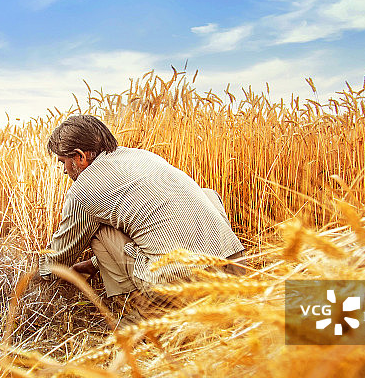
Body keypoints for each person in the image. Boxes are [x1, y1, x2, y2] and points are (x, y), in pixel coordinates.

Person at [37, 114, 244, 325]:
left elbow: (58, 259)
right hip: (234, 267)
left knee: (98, 228)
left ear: (80, 156)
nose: (63, 170)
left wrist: (32, 278)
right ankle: (219, 301)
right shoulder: (142, 157)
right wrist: (94, 264)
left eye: (63, 161)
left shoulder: (82, 192)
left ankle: (151, 311)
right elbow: (158, 222)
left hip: (180, 283)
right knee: (205, 193)